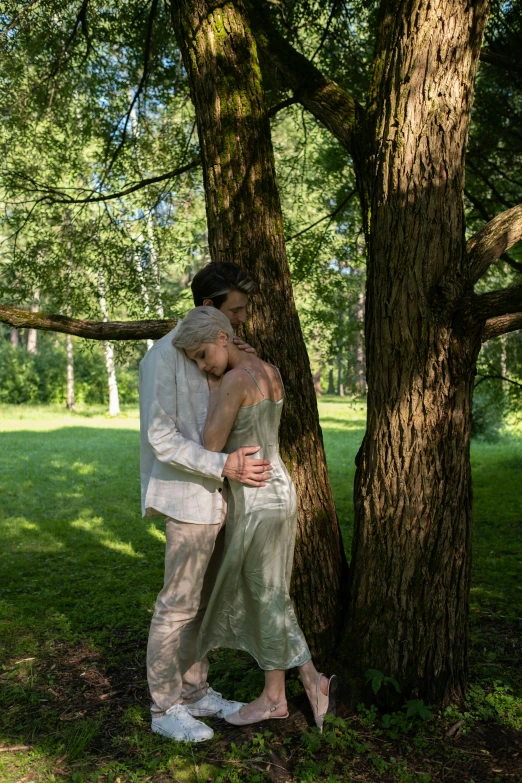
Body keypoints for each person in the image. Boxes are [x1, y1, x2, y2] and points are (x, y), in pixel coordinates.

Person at [173, 306, 337, 731]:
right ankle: (306, 682)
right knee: (272, 594)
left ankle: (275, 698)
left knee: (268, 596)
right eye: (196, 361)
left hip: (257, 498)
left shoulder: (231, 381)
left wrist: (213, 384)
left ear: (224, 339)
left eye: (204, 354)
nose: (203, 364)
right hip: (280, 488)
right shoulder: (271, 371)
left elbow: (211, 444)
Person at [140, 262, 272, 743]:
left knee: (203, 605)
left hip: (220, 499)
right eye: (235, 311)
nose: (242, 320)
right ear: (209, 306)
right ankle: (164, 707)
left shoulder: (225, 346)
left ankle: (195, 693)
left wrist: (245, 364)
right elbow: (162, 438)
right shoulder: (161, 358)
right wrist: (224, 467)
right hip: (186, 499)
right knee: (176, 605)